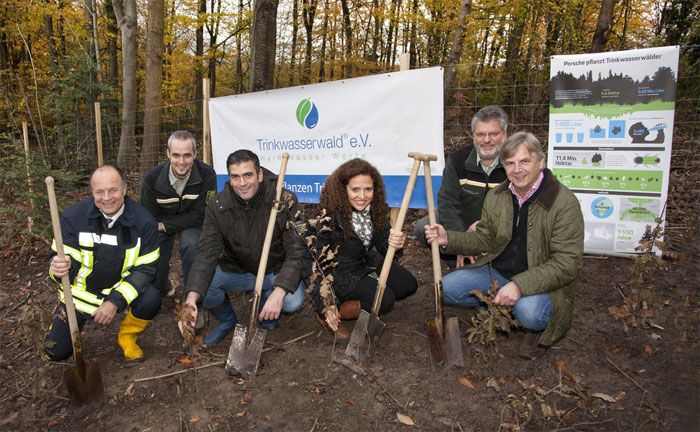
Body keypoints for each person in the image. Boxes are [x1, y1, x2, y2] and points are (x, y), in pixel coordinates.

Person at [425, 132, 584, 359]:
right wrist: (449, 238)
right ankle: (503, 305)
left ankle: (531, 316)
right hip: (497, 272)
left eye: (524, 161)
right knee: (445, 289)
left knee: (530, 313)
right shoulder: (498, 196)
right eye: (510, 163)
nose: (517, 169)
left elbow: (567, 263)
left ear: (541, 162)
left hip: (543, 283)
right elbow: (485, 238)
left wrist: (520, 285)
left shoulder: (563, 203)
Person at [178, 150, 306, 347]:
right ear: (229, 178)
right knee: (206, 287)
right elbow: (206, 253)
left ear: (260, 174)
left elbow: (297, 251)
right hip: (237, 270)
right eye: (235, 177)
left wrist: (279, 292)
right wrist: (191, 299)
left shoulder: (283, 200)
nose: (242, 183)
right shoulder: (218, 206)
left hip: (274, 270)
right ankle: (228, 319)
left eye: (248, 175)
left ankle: (266, 304)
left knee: (291, 301)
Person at [45, 165, 161, 362]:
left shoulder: (144, 222)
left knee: (151, 299)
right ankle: (64, 325)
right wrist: (58, 269)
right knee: (54, 352)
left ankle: (127, 337)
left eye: (113, 190)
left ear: (124, 189)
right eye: (100, 191)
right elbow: (61, 261)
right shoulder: (73, 218)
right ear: (92, 192)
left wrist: (114, 302)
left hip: (120, 290)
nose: (107, 197)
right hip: (80, 295)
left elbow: (146, 270)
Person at [308, 158, 418, 339]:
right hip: (340, 272)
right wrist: (324, 301)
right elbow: (314, 263)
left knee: (408, 285)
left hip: (366, 262)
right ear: (344, 189)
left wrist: (394, 243)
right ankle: (332, 314)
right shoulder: (328, 217)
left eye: (368, 189)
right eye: (355, 189)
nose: (362, 196)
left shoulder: (376, 208)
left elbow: (383, 243)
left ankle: (363, 295)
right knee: (386, 300)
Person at [414, 105, 509, 267]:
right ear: (473, 136)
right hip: (463, 228)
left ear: (505, 135)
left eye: (493, 133)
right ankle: (459, 260)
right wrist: (460, 243)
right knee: (425, 226)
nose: (486, 140)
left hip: (498, 228)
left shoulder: (514, 164)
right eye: (480, 134)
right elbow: (448, 203)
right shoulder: (458, 161)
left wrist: (484, 224)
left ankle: (492, 262)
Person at [141, 131, 217, 297]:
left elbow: (202, 213)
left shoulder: (207, 175)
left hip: (192, 223)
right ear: (168, 153)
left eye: (187, 155)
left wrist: (166, 226)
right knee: (155, 253)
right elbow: (147, 217)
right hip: (161, 221)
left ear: (195, 154)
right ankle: (161, 287)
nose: (181, 162)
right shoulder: (152, 179)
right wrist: (161, 226)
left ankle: (192, 296)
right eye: (176, 155)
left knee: (191, 245)